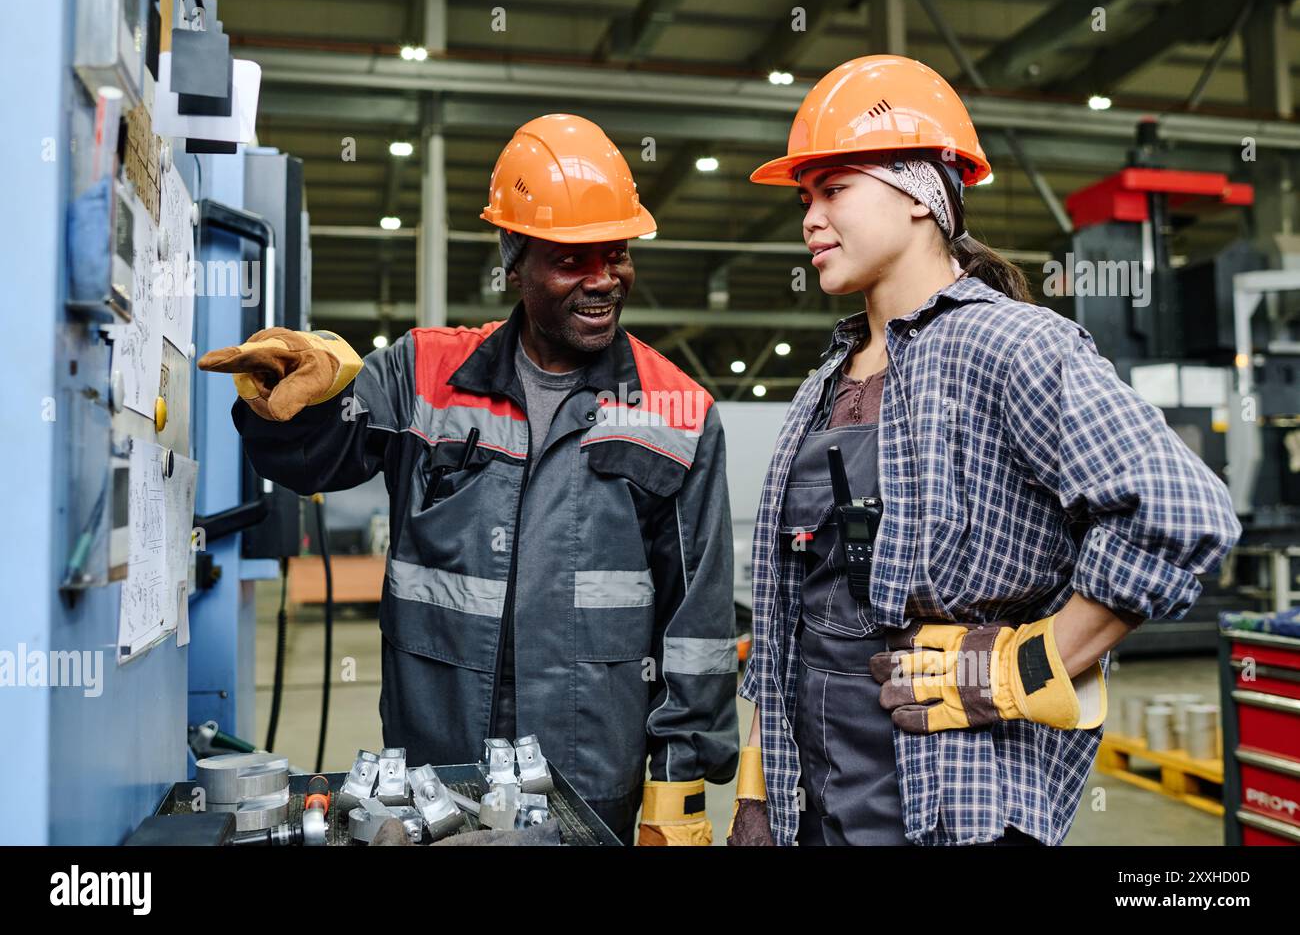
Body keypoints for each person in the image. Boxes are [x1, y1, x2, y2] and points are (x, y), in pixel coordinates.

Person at [726, 55, 1241, 847]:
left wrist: (1025, 667)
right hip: (819, 803)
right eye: (806, 197)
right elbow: (788, 610)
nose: (810, 219)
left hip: (951, 804)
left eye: (835, 190)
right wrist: (758, 791)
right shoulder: (822, 384)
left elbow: (1181, 514)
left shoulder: (1012, 347)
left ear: (921, 197)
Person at [199, 114, 739, 846]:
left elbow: (698, 628)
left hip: (591, 783)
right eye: (573, 259)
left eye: (616, 253)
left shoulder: (678, 411)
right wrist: (288, 400)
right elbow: (312, 459)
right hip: (435, 777)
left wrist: (676, 794)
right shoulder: (424, 375)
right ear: (514, 261)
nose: (604, 278)